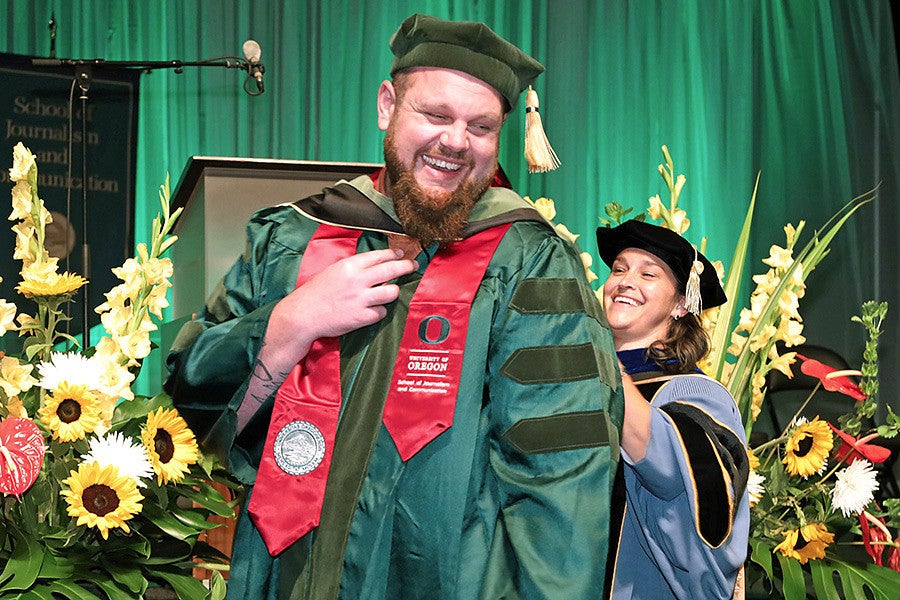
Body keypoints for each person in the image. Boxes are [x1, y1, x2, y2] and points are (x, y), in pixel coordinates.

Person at [165, 13, 623, 600]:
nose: (456, 141)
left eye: (480, 127)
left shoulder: (531, 265)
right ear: (387, 106)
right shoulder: (294, 236)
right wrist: (286, 326)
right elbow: (188, 399)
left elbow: (563, 488)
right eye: (435, 115)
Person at [596, 219, 750, 599]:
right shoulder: (574, 379)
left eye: (648, 274)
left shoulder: (694, 392)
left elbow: (669, 469)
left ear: (681, 304)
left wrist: (593, 355)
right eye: (619, 269)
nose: (626, 281)